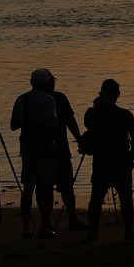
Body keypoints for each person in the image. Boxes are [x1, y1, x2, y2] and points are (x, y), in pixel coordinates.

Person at [83, 79, 134, 241]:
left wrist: (96, 107)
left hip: (101, 160)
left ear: (101, 94)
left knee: (96, 197)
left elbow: (90, 129)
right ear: (118, 95)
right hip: (121, 160)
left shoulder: (91, 114)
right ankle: (128, 232)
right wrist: (132, 153)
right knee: (125, 198)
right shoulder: (125, 114)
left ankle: (93, 232)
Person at [10, 69, 60, 239]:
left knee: (28, 188)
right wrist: (59, 144)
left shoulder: (21, 99)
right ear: (46, 83)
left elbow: (13, 125)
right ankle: (45, 227)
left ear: (31, 82)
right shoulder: (49, 100)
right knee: (46, 187)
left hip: (26, 146)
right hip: (45, 147)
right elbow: (52, 123)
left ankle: (25, 228)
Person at [42, 69, 88, 232]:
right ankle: (72, 220)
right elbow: (70, 121)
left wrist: (80, 140)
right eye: (53, 79)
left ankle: (46, 223)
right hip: (58, 148)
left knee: (45, 186)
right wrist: (80, 140)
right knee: (66, 185)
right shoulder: (59, 98)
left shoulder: (32, 99)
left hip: (41, 149)